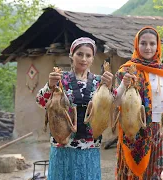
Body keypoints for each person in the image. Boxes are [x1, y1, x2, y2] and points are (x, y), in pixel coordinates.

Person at [114, 26, 163, 179]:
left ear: (157, 46)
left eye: (152, 44)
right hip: (134, 129)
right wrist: (123, 84)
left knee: (159, 172)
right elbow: (115, 102)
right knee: (134, 174)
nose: (148, 47)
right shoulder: (126, 71)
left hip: (160, 130)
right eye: (143, 43)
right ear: (137, 45)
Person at [36, 37, 113, 180]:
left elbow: (112, 103)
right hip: (63, 144)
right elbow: (41, 101)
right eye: (79, 54)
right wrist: (50, 85)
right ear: (72, 55)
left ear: (92, 58)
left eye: (88, 55)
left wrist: (109, 87)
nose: (83, 59)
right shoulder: (60, 78)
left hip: (90, 145)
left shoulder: (99, 82)